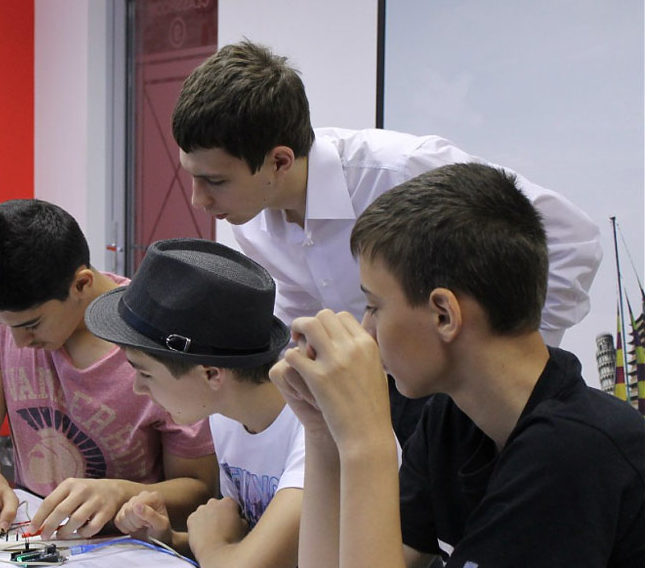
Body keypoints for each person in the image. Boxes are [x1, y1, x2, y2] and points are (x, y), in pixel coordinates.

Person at [272, 163, 645, 568]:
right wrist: (323, 433)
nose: (366, 331)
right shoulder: (454, 420)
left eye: (374, 306)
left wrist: (367, 443)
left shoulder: (574, 450)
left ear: (444, 314)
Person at [171, 39, 601, 348]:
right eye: (191, 176)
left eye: (215, 181)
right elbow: (302, 316)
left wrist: (514, 362)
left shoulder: (402, 169)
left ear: (279, 162)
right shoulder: (251, 221)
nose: (198, 200)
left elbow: (572, 240)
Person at [0, 199, 218, 538]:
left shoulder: (159, 341)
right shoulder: (12, 312)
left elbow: (200, 488)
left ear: (81, 284)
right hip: (34, 540)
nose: (18, 342)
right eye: (4, 324)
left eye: (32, 325)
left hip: (126, 549)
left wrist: (121, 493)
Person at [83, 238, 302, 568]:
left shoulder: (315, 429)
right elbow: (237, 543)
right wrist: (171, 538)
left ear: (212, 374)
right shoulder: (225, 413)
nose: (137, 389)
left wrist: (207, 542)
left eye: (145, 373)